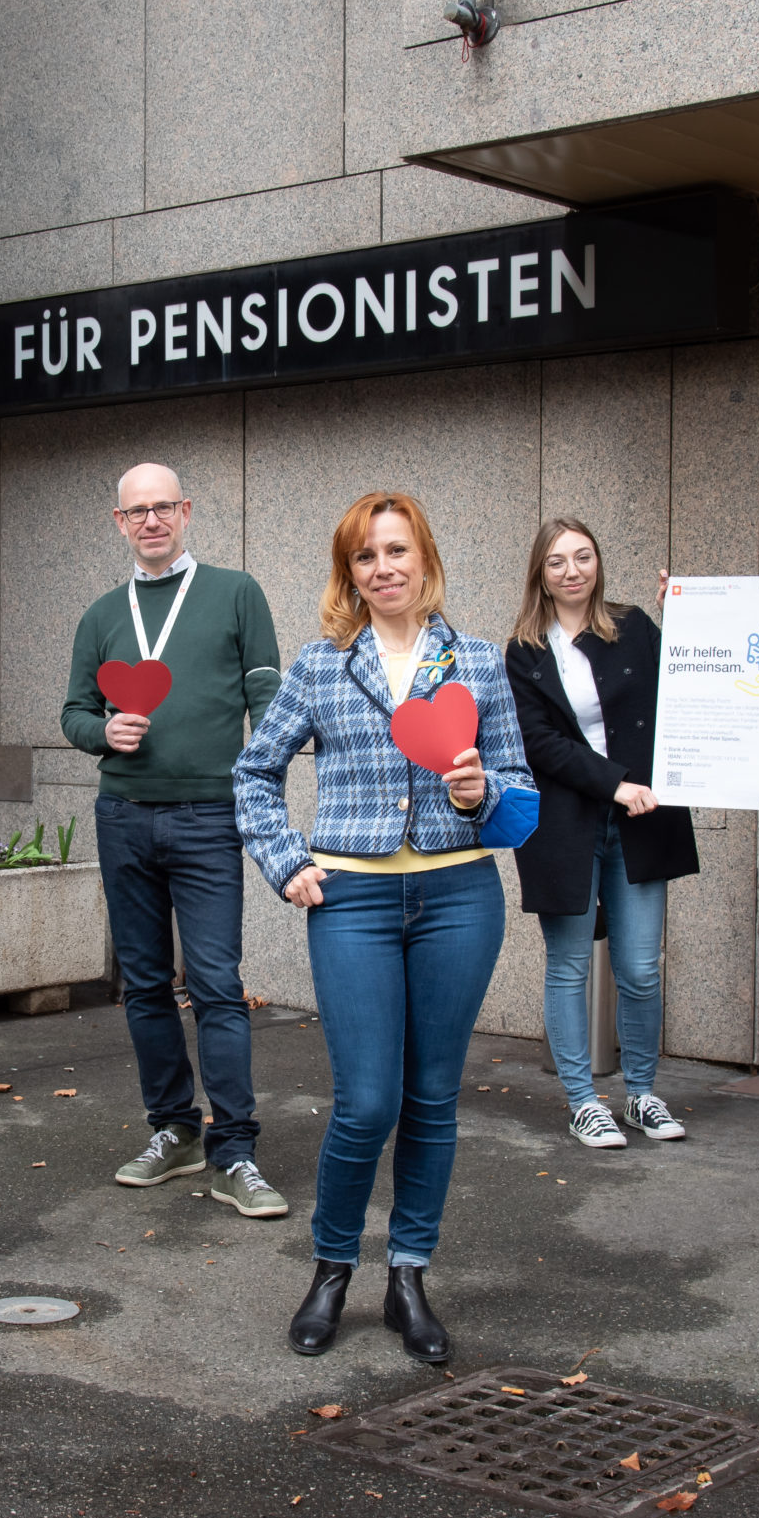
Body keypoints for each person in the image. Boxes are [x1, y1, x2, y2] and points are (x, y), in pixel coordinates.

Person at [234, 492, 531, 1361]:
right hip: (353, 903)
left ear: (425, 559)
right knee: (367, 1100)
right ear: (349, 573)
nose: (384, 568)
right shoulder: (322, 667)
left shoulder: (476, 661)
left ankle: (408, 1275)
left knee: (433, 1098)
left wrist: (485, 795)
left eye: (397, 550)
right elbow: (254, 775)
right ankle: (332, 1268)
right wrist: (287, 861)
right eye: (366, 556)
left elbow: (519, 790)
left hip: (457, 899)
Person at [60, 463, 287, 1218]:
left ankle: (237, 1150)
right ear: (118, 522)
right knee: (147, 984)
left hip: (209, 816)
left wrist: (267, 789)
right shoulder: (100, 614)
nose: (152, 520)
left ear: (187, 511)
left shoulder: (235, 593)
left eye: (164, 507)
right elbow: (73, 712)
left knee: (218, 984)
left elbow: (267, 699)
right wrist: (102, 732)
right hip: (124, 816)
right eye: (137, 511)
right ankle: (173, 1129)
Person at [503, 518, 698, 1149]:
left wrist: (688, 617)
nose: (571, 571)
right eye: (556, 561)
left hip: (641, 821)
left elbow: (696, 682)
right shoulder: (525, 651)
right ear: (541, 572)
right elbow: (539, 743)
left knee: (639, 967)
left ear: (598, 563)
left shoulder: (635, 626)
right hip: (565, 825)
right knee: (568, 965)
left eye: (582, 557)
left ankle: (641, 1093)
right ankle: (583, 1102)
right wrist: (613, 782)